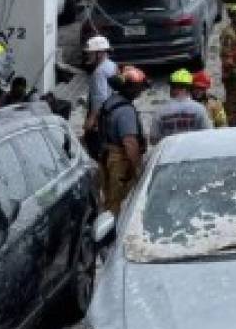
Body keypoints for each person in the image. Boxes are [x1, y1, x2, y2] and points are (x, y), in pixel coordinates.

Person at [99, 67, 148, 214]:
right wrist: (137, 169)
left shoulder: (110, 102)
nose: (141, 92)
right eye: (139, 88)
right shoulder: (125, 111)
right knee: (119, 203)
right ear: (131, 88)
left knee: (109, 198)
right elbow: (130, 143)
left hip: (107, 155)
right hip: (120, 161)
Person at [150, 69, 212, 144]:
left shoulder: (160, 111)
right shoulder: (199, 109)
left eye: (172, 86)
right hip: (194, 152)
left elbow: (153, 139)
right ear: (189, 88)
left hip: (170, 154)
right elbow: (208, 135)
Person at [82, 36, 117, 157]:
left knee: (95, 151)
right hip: (111, 114)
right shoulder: (112, 65)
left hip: (100, 119)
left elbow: (99, 99)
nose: (88, 56)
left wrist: (90, 122)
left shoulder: (99, 72)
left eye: (90, 53)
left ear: (100, 53)